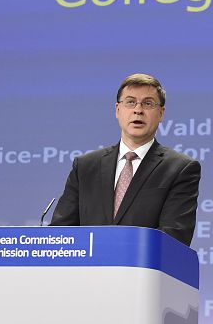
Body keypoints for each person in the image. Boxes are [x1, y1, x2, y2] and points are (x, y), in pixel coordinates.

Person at [50, 73, 201, 247]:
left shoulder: (180, 168)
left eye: (148, 103)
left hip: (144, 264)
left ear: (161, 113)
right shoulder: (85, 167)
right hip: (88, 264)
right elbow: (60, 234)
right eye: (130, 102)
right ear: (117, 110)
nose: (138, 110)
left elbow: (174, 237)